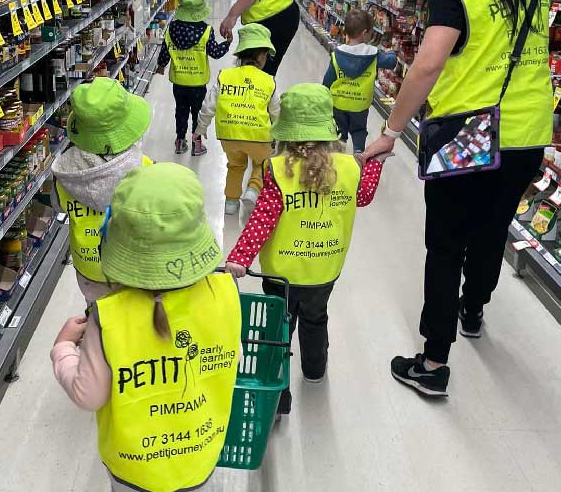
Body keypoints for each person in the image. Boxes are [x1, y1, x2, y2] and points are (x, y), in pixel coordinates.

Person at [362, 0, 553, 397]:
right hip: (529, 128)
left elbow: (427, 65)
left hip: (469, 131)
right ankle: (474, 310)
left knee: (445, 245)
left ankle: (432, 361)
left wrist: (390, 130)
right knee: (493, 228)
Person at [51, 163, 242, 492]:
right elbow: (231, 358)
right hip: (200, 455)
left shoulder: (106, 317)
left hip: (133, 467)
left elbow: (88, 394)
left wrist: (63, 349)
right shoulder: (225, 293)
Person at [225, 83, 387, 415]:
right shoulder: (347, 168)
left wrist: (240, 258)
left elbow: (262, 221)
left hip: (282, 276)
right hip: (324, 270)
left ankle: (277, 394)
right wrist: (374, 162)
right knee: (316, 319)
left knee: (277, 329)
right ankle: (314, 371)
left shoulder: (279, 172)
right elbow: (365, 195)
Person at [52, 78, 153, 304]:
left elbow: (57, 205)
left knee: (96, 314)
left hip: (88, 268)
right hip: (127, 264)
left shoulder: (65, 175)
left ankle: (95, 335)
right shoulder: (144, 167)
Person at [195, 23, 280, 216]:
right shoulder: (268, 80)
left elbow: (209, 106)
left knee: (235, 165)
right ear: (261, 56)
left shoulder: (225, 75)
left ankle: (231, 203)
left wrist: (200, 130)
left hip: (229, 135)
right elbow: (277, 112)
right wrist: (280, 134)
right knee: (262, 163)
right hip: (258, 135)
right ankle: (253, 189)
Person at [157, 0, 231, 156]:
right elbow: (216, 53)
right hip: (197, 83)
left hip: (179, 81)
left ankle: (180, 141)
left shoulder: (171, 29)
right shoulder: (206, 31)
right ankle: (196, 144)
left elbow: (165, 52)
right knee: (197, 112)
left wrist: (161, 66)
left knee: (181, 111)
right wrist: (227, 43)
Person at [323, 9, 398, 153]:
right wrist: (392, 52)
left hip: (338, 103)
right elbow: (391, 62)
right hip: (360, 105)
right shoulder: (373, 55)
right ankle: (358, 154)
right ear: (365, 33)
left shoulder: (337, 55)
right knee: (358, 130)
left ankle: (338, 155)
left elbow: (327, 82)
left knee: (339, 132)